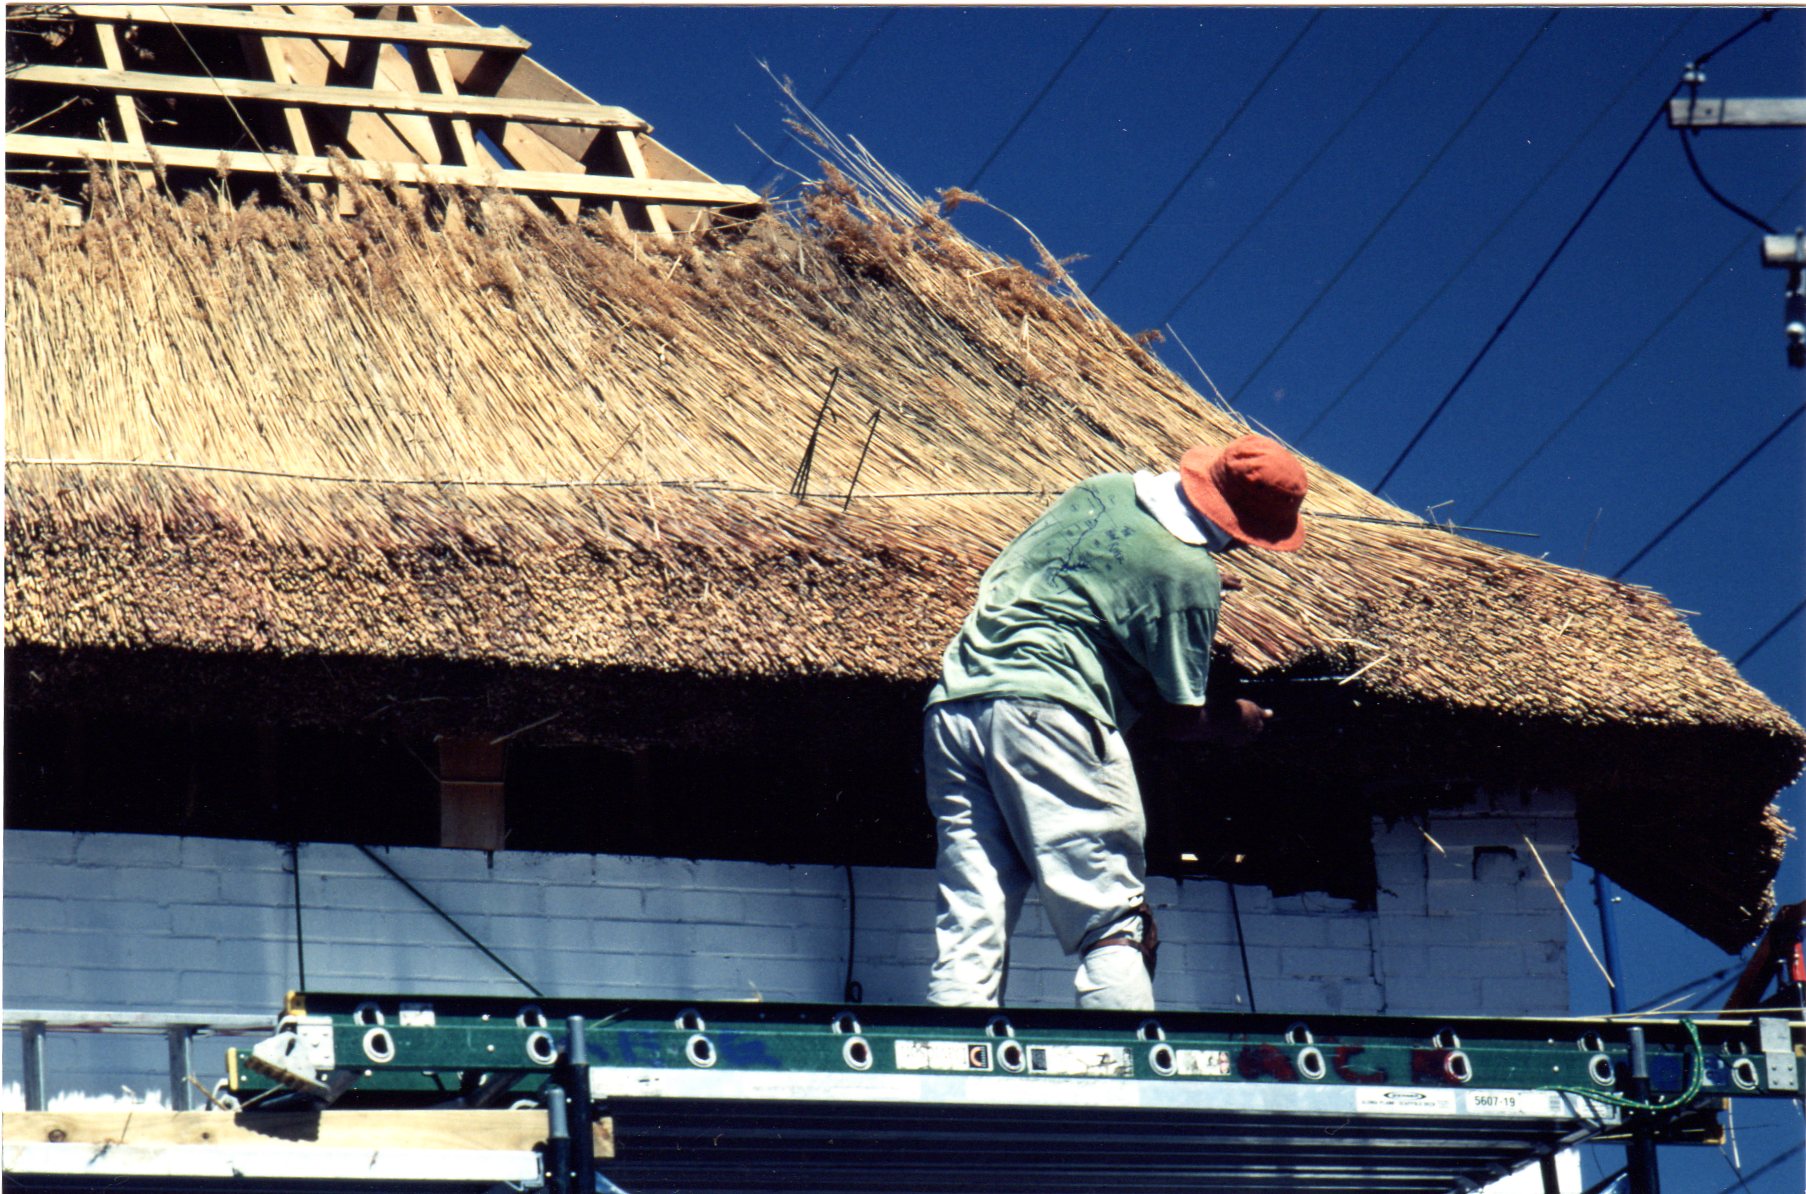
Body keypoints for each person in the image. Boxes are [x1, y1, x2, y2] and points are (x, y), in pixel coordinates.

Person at [923, 434, 1308, 1010]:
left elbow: (1089, 564)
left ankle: (951, 1054)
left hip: (957, 705)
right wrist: (1236, 720)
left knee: (973, 904)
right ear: (1240, 528)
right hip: (1053, 713)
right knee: (1112, 917)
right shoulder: (1187, 575)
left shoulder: (1102, 488)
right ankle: (1120, 1070)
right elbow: (1181, 720)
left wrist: (1187, 578)